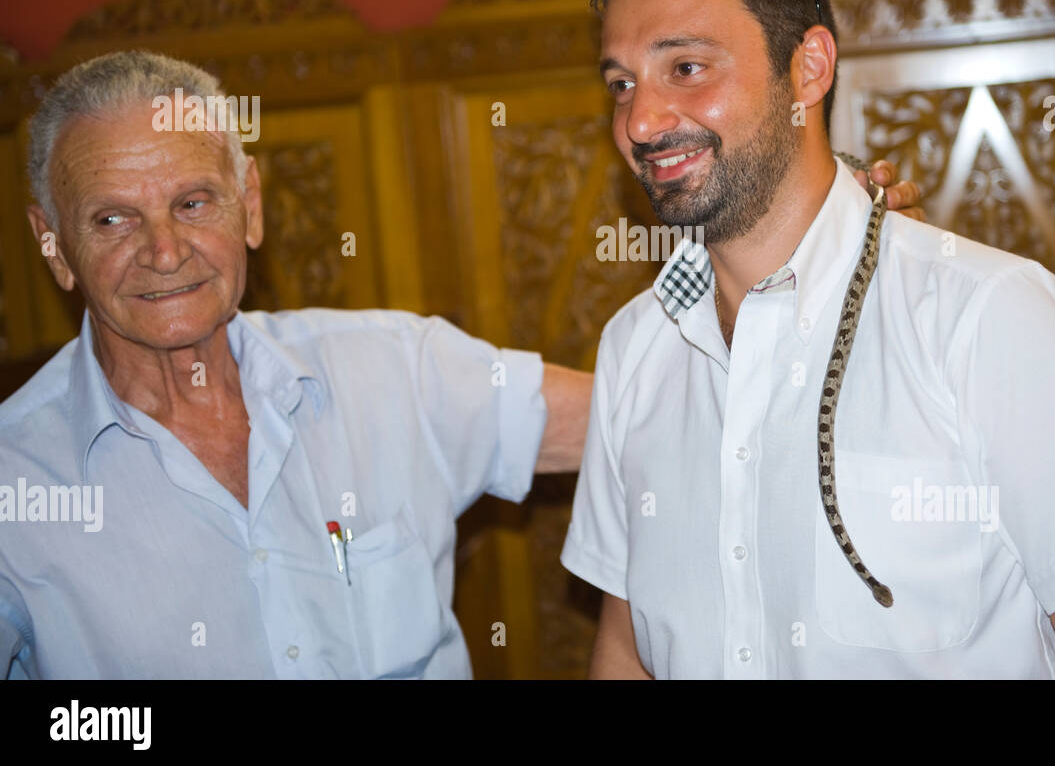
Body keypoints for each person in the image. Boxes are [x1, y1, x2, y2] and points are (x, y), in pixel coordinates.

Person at [0, 49, 922, 678]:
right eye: (113, 218)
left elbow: (659, 414)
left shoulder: (393, 371)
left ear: (251, 205)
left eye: (194, 202)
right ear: (52, 244)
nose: (165, 251)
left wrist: (819, 264)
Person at [560, 0, 1055, 679]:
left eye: (686, 68)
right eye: (622, 84)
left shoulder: (988, 318)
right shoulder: (634, 349)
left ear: (809, 68)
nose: (641, 122)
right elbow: (626, 648)